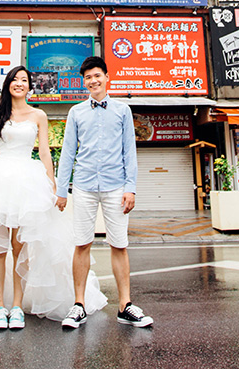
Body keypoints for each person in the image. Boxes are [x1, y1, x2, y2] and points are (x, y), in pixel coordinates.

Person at [0, 66, 105, 329]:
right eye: (15, 80)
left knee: (21, 248)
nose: (19, 83)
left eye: (24, 80)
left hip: (27, 183)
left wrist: (52, 185)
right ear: (8, 85)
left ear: (30, 86)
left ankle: (17, 305)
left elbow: (43, 152)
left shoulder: (39, 115)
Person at [55, 56, 152, 329]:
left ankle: (125, 305)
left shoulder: (123, 111)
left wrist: (130, 188)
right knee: (82, 243)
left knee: (119, 244)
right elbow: (68, 153)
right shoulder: (76, 112)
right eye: (87, 77)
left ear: (107, 77)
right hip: (84, 186)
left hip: (115, 187)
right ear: (83, 82)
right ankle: (78, 305)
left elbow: (129, 152)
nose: (93, 81)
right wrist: (63, 190)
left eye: (97, 75)